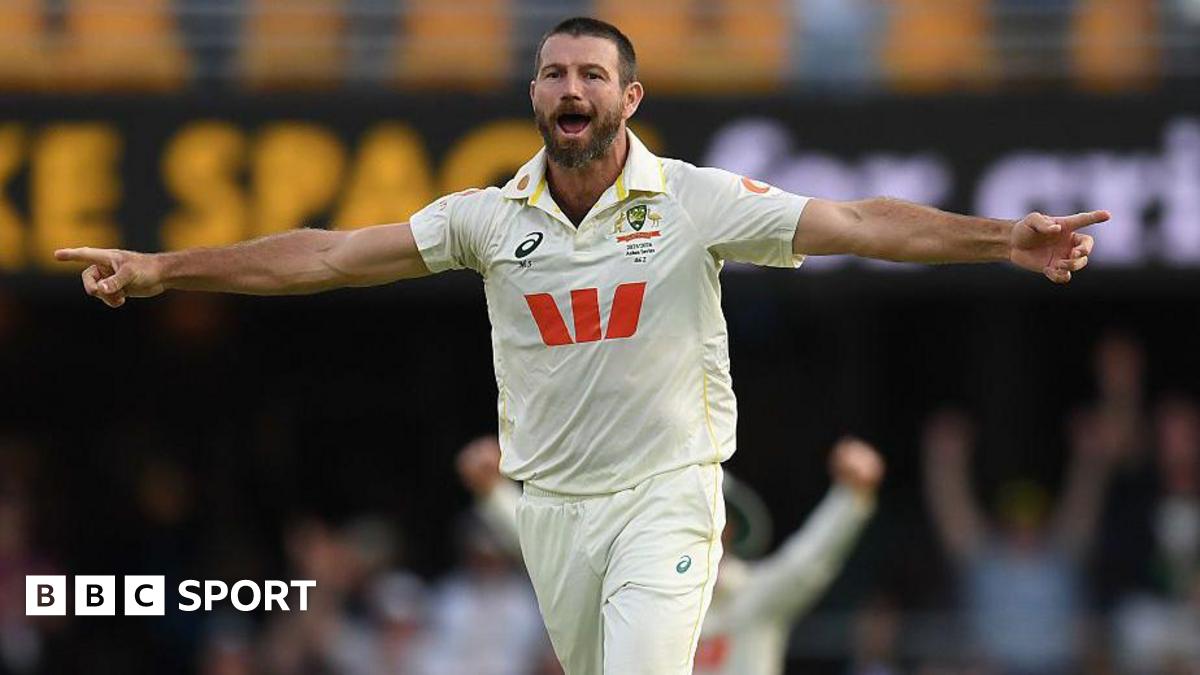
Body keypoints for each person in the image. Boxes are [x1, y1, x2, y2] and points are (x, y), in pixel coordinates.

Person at [55, 16, 1104, 674]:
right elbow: (326, 256)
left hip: (668, 493)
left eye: (593, 75)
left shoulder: (692, 200)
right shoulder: (485, 219)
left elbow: (862, 222)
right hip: (553, 510)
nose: (572, 89)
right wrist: (162, 269)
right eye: (554, 73)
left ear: (628, 98)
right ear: (534, 96)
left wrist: (998, 239)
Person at [458, 435, 884, 675]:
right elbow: (557, 553)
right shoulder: (630, 586)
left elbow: (811, 559)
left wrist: (852, 496)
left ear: (729, 528)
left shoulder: (754, 596)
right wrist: (493, 492)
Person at [922, 409, 1117, 674]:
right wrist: (944, 461)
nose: (1023, 531)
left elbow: (1083, 506)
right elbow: (952, 512)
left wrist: (1090, 458)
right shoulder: (986, 561)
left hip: (1057, 668)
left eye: (1031, 522)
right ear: (1002, 524)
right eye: (1015, 523)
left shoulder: (1060, 560)